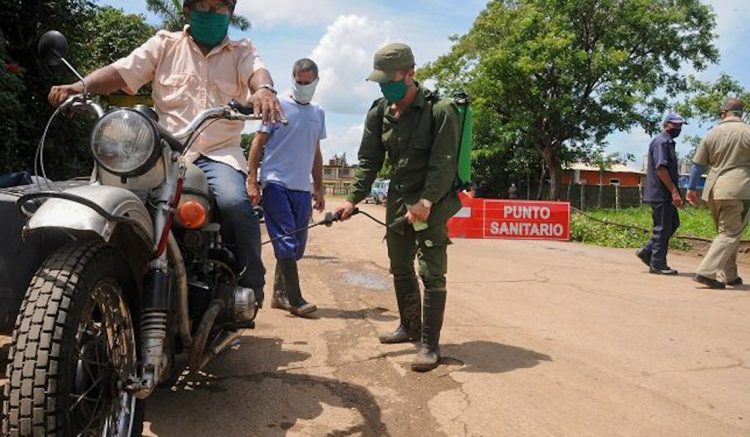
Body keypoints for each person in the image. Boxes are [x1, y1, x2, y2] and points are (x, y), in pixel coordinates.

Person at [48, 0, 284, 304]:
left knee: (235, 203)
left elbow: (258, 73)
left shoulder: (241, 51)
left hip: (217, 154)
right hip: (162, 152)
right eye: (203, 6)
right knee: (110, 197)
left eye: (219, 8)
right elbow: (122, 72)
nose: (210, 14)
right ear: (187, 10)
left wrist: (264, 90)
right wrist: (81, 86)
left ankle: (249, 287)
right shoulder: (164, 45)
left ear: (230, 13)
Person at [337, 43, 461, 372]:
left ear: (410, 73)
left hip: (431, 200)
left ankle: (429, 345)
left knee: (431, 270)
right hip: (398, 197)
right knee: (400, 266)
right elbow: (369, 160)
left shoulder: (440, 110)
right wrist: (353, 198)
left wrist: (426, 201)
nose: (385, 87)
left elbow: (443, 164)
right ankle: (408, 327)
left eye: (390, 80)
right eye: (380, 81)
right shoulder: (379, 112)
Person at [247, 58, 326, 316]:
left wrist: (320, 187)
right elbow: (258, 143)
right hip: (275, 182)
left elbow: (315, 152)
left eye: (307, 82)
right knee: (285, 241)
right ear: (292, 79)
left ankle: (279, 294)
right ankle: (296, 299)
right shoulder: (278, 105)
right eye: (298, 81)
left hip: (301, 188)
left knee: (297, 246)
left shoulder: (318, 113)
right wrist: (253, 180)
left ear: (316, 82)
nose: (303, 86)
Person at [686, 98, 750, 289]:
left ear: (724, 113)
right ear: (742, 114)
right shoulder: (747, 132)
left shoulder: (711, 134)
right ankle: (705, 272)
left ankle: (729, 275)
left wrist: (691, 189)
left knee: (726, 233)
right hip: (738, 189)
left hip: (713, 191)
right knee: (730, 233)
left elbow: (698, 165)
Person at [636, 113, 686, 275]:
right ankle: (657, 263)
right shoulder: (661, 142)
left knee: (672, 224)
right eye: (674, 125)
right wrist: (674, 192)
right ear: (665, 125)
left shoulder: (668, 143)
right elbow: (661, 168)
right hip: (661, 194)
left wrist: (675, 192)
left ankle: (648, 251)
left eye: (680, 126)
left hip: (665, 194)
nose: (677, 128)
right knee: (663, 228)